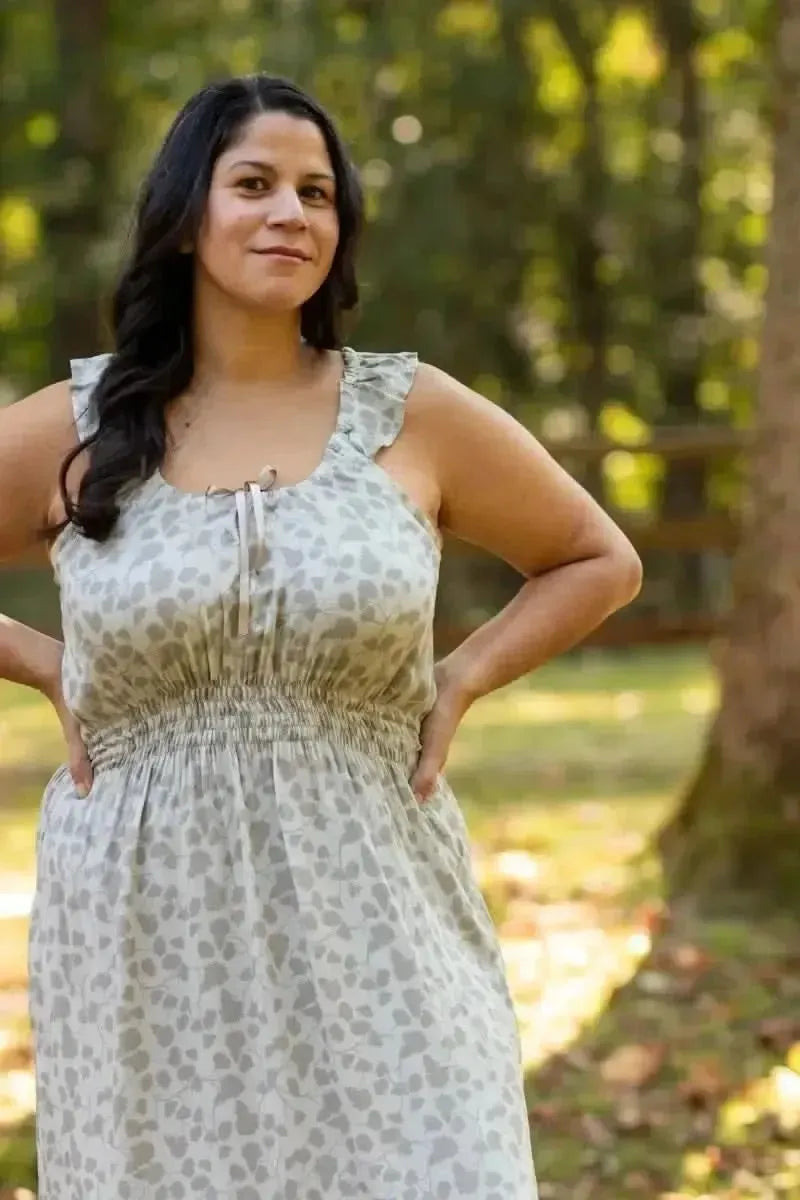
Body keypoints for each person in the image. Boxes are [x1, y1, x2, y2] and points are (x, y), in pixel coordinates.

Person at [0, 73, 641, 1200]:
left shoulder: (411, 411)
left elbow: (597, 559)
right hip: (150, 916)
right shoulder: (80, 426)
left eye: (317, 193)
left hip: (375, 895)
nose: (290, 213)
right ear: (186, 214)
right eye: (252, 184)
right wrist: (52, 665)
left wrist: (461, 677)